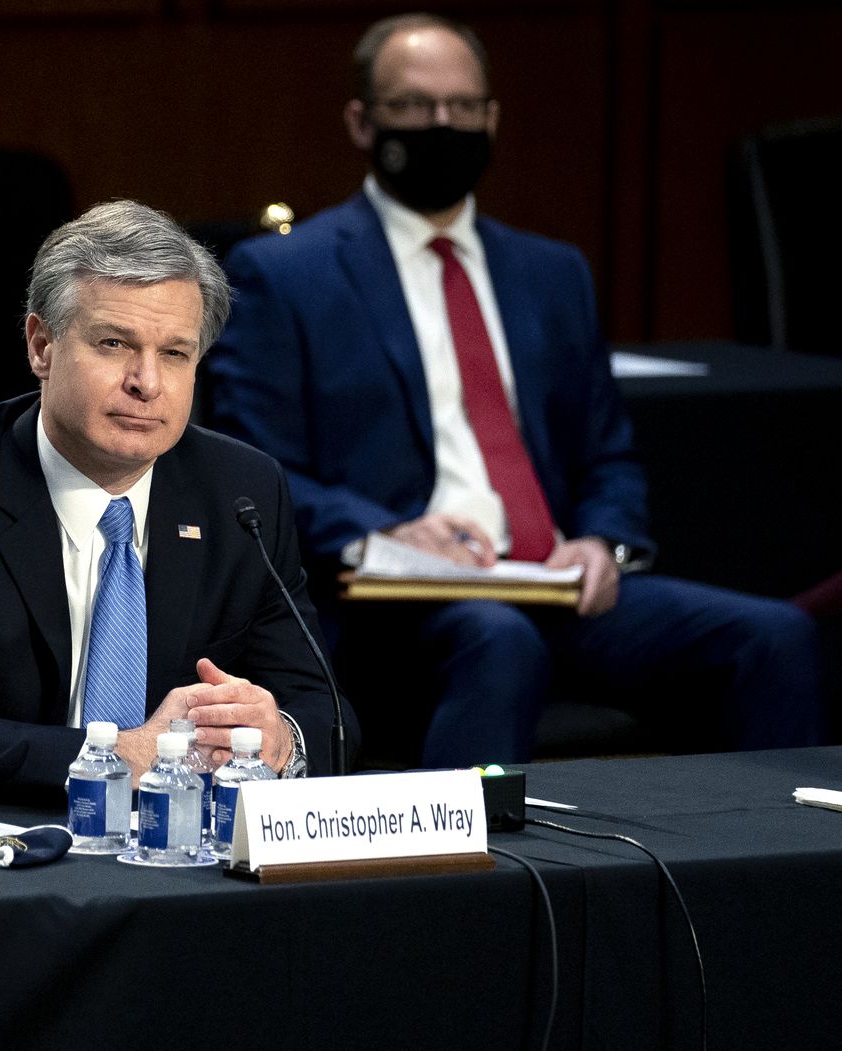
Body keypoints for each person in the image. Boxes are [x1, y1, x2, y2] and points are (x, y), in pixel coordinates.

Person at [208, 14, 824, 767]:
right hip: (404, 602)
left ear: (493, 119)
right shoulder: (286, 274)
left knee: (777, 636)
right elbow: (254, 470)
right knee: (500, 640)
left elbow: (608, 454)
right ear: (362, 122)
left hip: (553, 582)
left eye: (464, 107)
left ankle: (777, 842)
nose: (443, 124)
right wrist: (383, 534)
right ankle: (468, 848)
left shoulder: (551, 272)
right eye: (415, 106)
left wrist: (604, 542)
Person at [0, 200, 357, 809]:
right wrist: (120, 757)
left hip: (168, 847)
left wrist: (280, 741)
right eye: (114, 343)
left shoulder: (241, 494)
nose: (146, 382)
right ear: (41, 346)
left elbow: (325, 715)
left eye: (175, 354)